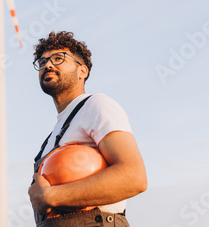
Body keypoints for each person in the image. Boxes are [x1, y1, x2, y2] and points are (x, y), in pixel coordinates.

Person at [28, 31, 147, 226]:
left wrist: (51, 196)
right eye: (42, 62)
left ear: (82, 71)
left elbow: (134, 177)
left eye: (58, 58)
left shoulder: (96, 105)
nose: (47, 65)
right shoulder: (52, 136)